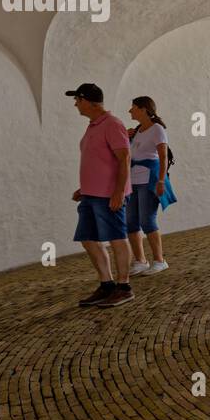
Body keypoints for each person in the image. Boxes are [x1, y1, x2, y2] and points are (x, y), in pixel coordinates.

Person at [67, 83, 134, 307]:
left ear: (87, 100)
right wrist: (84, 188)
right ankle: (106, 285)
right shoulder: (93, 126)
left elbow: (124, 158)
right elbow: (96, 161)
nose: (76, 104)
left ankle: (124, 288)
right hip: (90, 195)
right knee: (88, 239)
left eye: (77, 99)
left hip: (108, 195)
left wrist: (118, 192)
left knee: (116, 238)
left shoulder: (112, 124)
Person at [125, 96, 175, 276]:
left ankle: (159, 260)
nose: (130, 111)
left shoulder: (157, 129)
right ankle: (140, 260)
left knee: (147, 220)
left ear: (143, 109)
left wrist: (161, 181)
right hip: (133, 181)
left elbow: (163, 157)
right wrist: (126, 136)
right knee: (130, 222)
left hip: (149, 181)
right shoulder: (137, 130)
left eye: (133, 107)